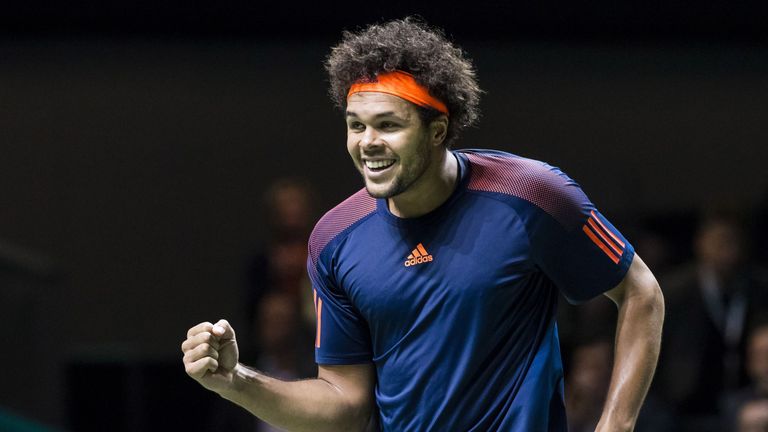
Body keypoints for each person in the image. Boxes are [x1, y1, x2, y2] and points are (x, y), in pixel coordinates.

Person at [181, 18, 664, 431]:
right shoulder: (332, 241)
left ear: (437, 131)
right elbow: (346, 406)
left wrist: (615, 424)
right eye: (355, 124)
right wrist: (235, 381)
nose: (367, 142)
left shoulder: (533, 195)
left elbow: (641, 292)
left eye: (388, 125)